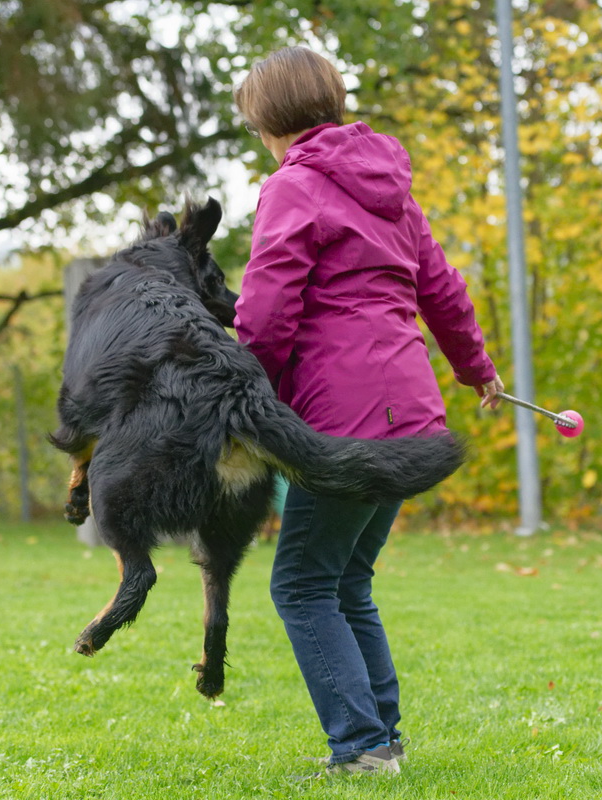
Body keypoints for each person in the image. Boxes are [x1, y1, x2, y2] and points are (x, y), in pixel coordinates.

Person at [232, 46, 505, 777]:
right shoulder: (391, 190)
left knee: (300, 583)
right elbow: (441, 291)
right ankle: (383, 739)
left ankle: (360, 748)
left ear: (266, 120)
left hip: (340, 421)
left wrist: (242, 402)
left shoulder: (293, 186)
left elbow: (267, 310)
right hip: (411, 416)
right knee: (346, 579)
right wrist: (477, 371)